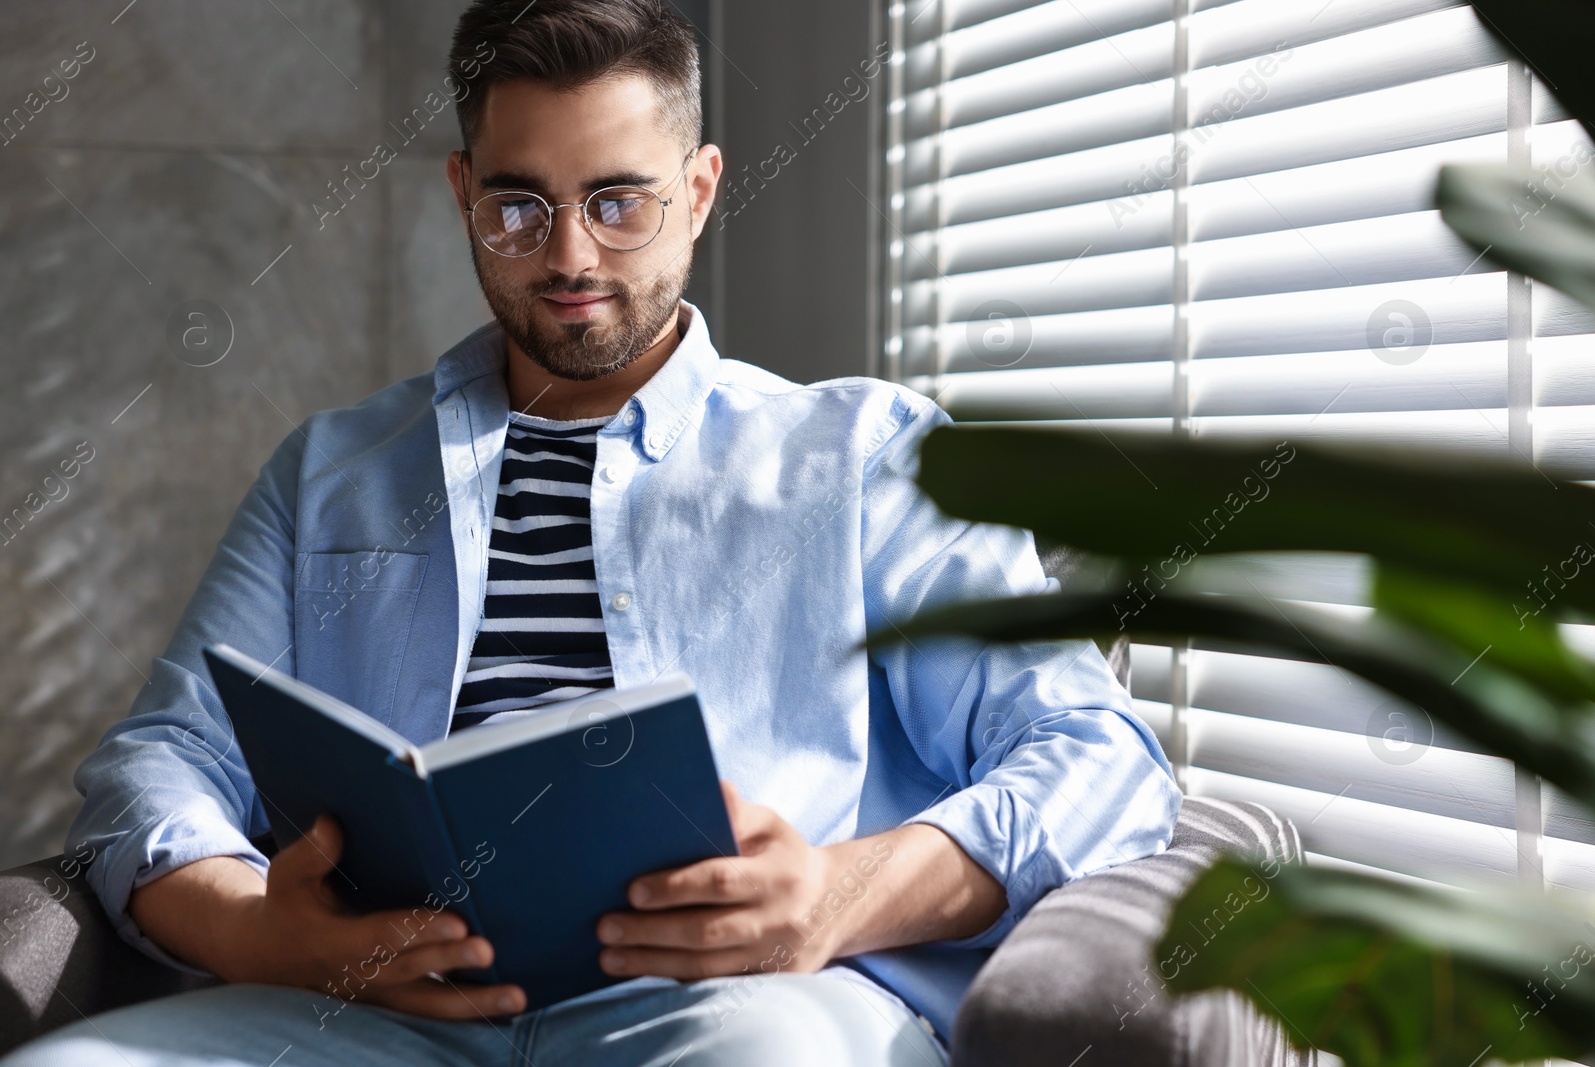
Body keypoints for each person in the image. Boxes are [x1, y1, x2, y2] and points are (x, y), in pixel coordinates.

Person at [0, 1, 1181, 1063]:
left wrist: (833, 890)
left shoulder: (867, 456)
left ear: (702, 189)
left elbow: (1100, 755)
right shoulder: (330, 473)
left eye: (620, 202)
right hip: (374, 1013)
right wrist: (256, 927)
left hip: (737, 1009)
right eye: (521, 204)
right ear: (463, 192)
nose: (569, 256)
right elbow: (156, 760)